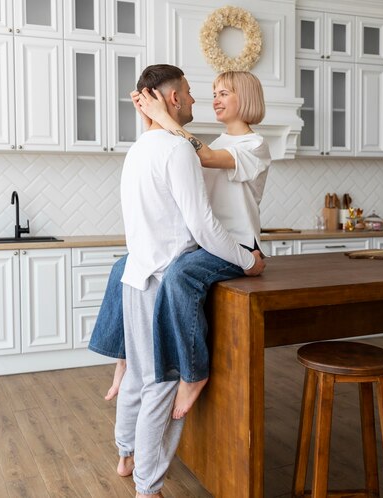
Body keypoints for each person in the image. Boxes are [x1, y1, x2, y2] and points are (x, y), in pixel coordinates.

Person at [115, 63, 265, 498]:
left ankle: (126, 452)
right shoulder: (179, 147)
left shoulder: (142, 148)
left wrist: (153, 120)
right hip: (170, 271)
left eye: (222, 93)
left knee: (141, 374)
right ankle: (148, 485)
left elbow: (199, 159)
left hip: (144, 271)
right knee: (161, 380)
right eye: (194, 92)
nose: (204, 99)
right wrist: (246, 261)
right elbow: (201, 223)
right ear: (174, 98)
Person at [89, 70, 271, 420]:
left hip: (236, 245)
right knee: (124, 267)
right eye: (213, 92)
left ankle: (193, 373)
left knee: (180, 277)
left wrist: (162, 117)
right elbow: (176, 159)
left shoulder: (254, 146)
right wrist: (151, 120)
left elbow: (205, 157)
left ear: (245, 99)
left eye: (224, 93)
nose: (214, 99)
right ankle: (124, 357)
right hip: (208, 242)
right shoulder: (211, 141)